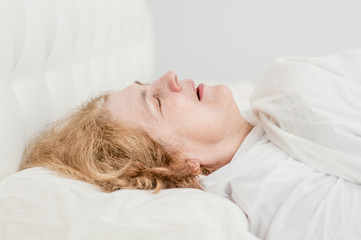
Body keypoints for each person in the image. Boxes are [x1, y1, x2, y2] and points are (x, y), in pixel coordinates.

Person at [21, 70, 254, 192]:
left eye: (147, 83)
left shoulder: (267, 111)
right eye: (158, 102)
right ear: (182, 165)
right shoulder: (267, 183)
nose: (169, 76)